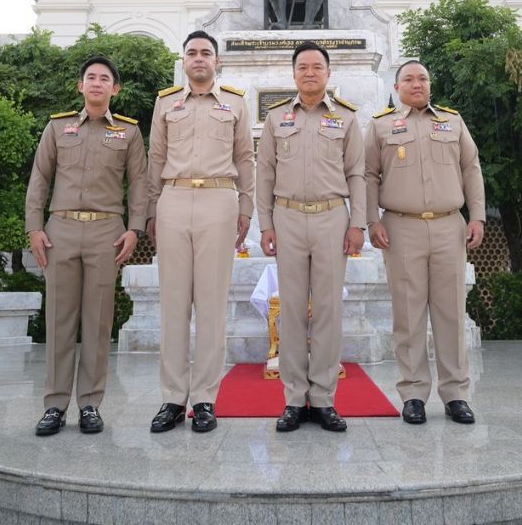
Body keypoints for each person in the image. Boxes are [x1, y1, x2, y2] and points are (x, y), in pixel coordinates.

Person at [26, 55, 147, 436]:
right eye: (90, 77)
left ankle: (90, 404)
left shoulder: (128, 132)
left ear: (115, 89)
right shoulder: (57, 127)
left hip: (106, 232)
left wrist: (135, 229)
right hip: (60, 230)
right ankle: (55, 405)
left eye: (104, 79)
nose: (96, 83)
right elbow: (39, 178)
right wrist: (34, 228)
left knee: (97, 322)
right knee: (59, 320)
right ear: (81, 86)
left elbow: (139, 183)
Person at [146, 30, 255, 433]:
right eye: (191, 52)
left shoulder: (235, 103)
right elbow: (155, 157)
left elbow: (245, 157)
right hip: (173, 199)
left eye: (206, 53)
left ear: (217, 61)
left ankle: (205, 398)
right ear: (184, 60)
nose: (198, 58)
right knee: (174, 304)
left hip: (218, 199)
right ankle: (173, 398)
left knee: (211, 305)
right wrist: (151, 211)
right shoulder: (165, 103)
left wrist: (246, 208)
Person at [364, 60, 485, 425]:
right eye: (409, 79)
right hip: (401, 227)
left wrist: (477, 216)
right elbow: (368, 175)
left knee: (451, 314)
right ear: (397, 87)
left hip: (449, 226)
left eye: (423, 79)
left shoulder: (452, 121)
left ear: (430, 85)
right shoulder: (380, 125)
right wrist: (371, 220)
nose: (417, 84)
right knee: (408, 315)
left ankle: (456, 395)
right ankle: (413, 393)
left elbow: (471, 168)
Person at [256, 41, 365, 433]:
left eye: (317, 66)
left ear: (328, 73)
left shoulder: (346, 118)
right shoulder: (276, 118)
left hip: (332, 218)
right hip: (287, 218)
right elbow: (265, 173)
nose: (309, 73)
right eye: (302, 67)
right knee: (290, 311)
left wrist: (358, 224)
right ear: (294, 73)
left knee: (328, 311)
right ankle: (292, 399)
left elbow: (357, 173)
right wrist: (265, 225)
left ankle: (322, 399)